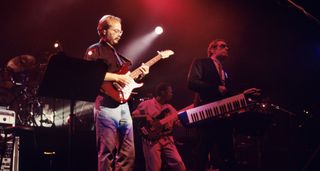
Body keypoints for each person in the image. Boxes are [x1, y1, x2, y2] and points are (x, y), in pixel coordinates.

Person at [84, 15, 149, 171]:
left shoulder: (118, 56)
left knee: (128, 152)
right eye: (116, 30)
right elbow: (89, 74)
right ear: (102, 31)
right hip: (105, 104)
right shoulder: (95, 50)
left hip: (123, 105)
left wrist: (140, 74)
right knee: (107, 152)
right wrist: (118, 77)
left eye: (121, 31)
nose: (120, 34)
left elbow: (124, 79)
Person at [187, 39, 236, 171]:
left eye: (227, 47)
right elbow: (192, 82)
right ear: (212, 50)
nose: (227, 48)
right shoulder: (201, 62)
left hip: (223, 118)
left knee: (225, 155)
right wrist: (215, 88)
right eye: (223, 46)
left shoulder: (224, 71)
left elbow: (226, 93)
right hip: (206, 116)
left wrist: (244, 95)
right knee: (202, 153)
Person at [132, 83, 186, 171]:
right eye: (170, 92)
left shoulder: (170, 108)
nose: (172, 94)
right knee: (154, 168)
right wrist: (146, 117)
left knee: (179, 164)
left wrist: (181, 123)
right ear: (162, 92)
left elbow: (177, 121)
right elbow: (133, 116)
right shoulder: (146, 104)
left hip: (167, 139)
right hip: (151, 141)